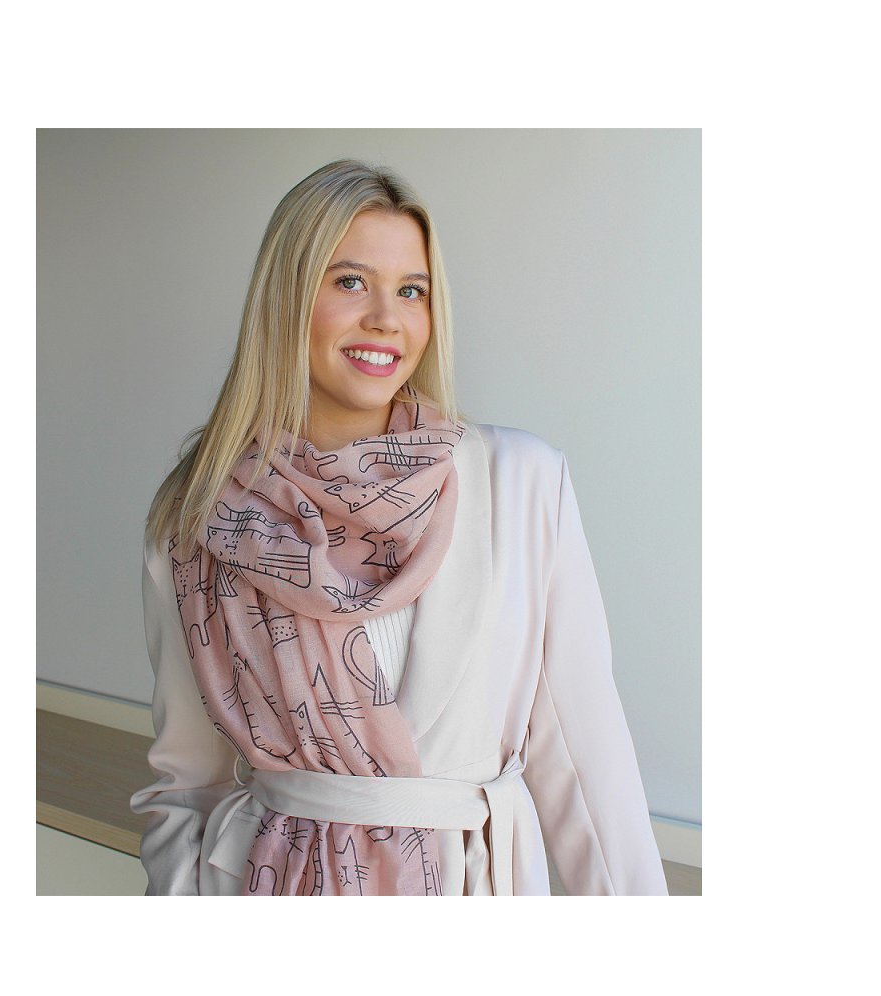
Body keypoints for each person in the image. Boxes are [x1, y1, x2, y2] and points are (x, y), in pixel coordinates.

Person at [130, 159, 668, 896]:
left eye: (412, 290)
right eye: (350, 282)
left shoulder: (520, 482)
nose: (387, 318)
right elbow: (187, 782)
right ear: (286, 299)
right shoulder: (201, 518)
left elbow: (586, 757)